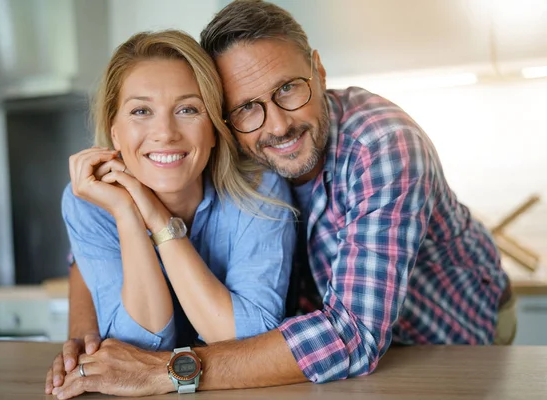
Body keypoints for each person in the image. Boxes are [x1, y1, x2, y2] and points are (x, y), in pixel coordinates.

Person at [49, 1, 516, 398]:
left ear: (318, 69)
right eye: (247, 106)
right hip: (324, 358)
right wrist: (84, 343)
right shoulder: (227, 157)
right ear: (224, 119)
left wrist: (167, 371)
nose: (276, 125)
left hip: (448, 340)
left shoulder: (382, 144)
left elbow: (354, 335)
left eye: (288, 88)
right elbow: (89, 252)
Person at [45, 28, 297, 397]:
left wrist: (159, 221)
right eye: (141, 111)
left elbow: (247, 339)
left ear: (214, 128)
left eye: (188, 109)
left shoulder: (259, 188)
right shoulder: (89, 200)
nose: (164, 132)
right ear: (115, 132)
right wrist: (127, 212)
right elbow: (136, 344)